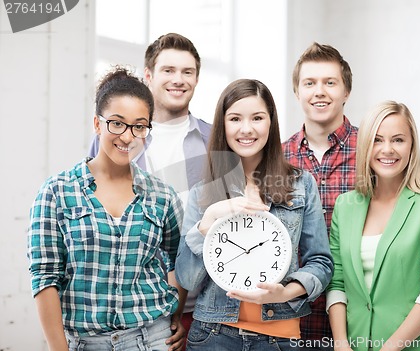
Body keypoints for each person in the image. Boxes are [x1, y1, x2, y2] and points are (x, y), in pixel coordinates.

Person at [28, 67, 186, 351]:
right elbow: (44, 277)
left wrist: (176, 314)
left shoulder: (162, 196)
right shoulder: (56, 192)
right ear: (97, 124)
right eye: (117, 123)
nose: (127, 136)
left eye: (139, 126)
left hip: (152, 339)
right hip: (84, 342)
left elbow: (179, 260)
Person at [175, 79, 333, 351]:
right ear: (223, 125)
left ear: (270, 123)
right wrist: (208, 220)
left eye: (257, 118)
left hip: (280, 337)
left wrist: (286, 292)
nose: (246, 129)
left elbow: (321, 262)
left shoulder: (301, 184)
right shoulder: (205, 191)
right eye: (235, 119)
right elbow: (187, 280)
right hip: (213, 336)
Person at [89, 33, 212, 348]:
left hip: (201, 309)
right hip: (130, 308)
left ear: (197, 78)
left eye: (187, 72)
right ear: (148, 75)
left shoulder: (215, 141)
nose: (178, 80)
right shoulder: (117, 137)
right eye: (168, 70)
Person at [327, 101, 420, 351]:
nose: (387, 149)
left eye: (398, 140)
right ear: (365, 145)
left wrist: (389, 348)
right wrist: (341, 344)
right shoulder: (345, 205)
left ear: (412, 146)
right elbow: (337, 283)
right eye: (377, 140)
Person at [282, 42, 357, 347]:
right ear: (297, 92)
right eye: (309, 83)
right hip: (293, 316)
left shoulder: (372, 152)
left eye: (330, 82)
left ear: (346, 91)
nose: (319, 91)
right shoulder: (277, 158)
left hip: (358, 313)